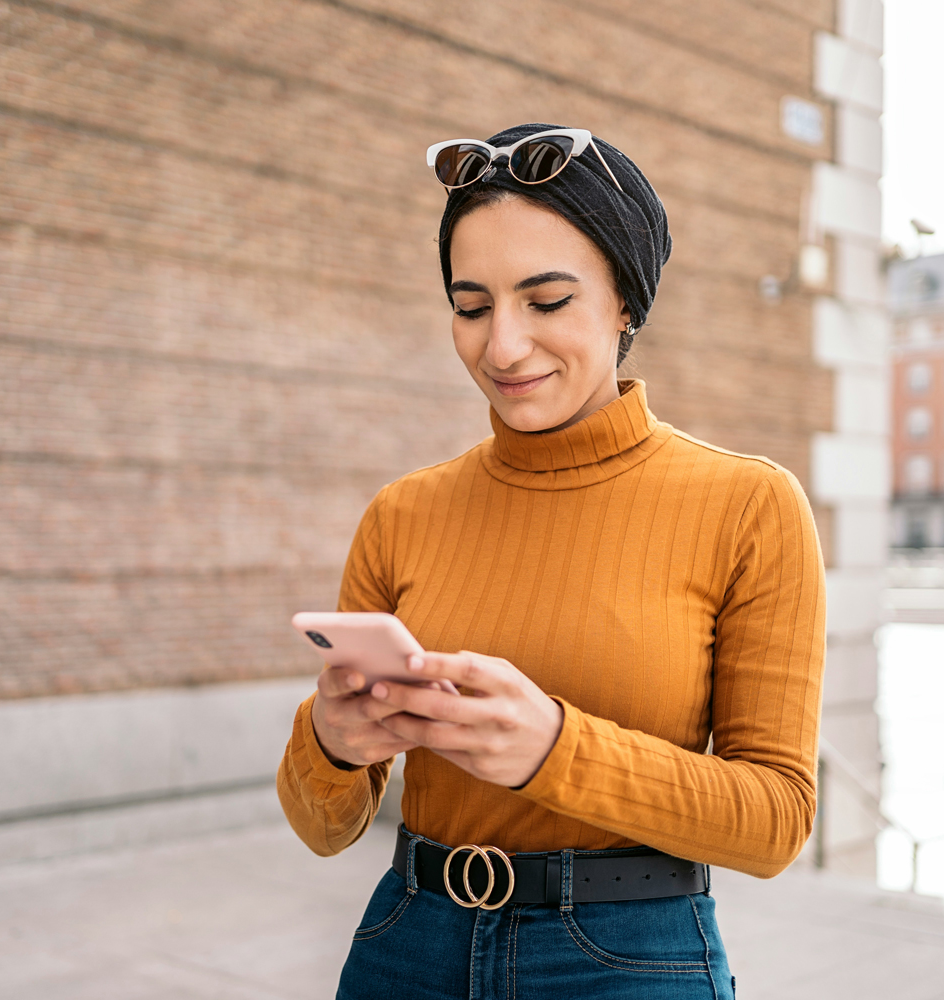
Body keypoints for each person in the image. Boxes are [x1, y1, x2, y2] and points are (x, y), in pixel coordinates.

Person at [277, 124, 826, 998]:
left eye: (546, 301)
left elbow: (776, 823)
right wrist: (333, 745)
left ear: (625, 305)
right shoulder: (402, 513)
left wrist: (554, 751)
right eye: (470, 305)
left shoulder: (749, 505)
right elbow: (322, 827)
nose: (502, 348)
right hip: (407, 943)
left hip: (632, 957)